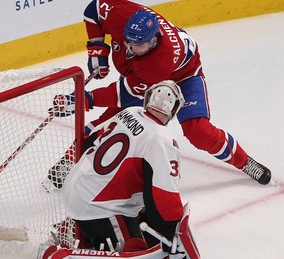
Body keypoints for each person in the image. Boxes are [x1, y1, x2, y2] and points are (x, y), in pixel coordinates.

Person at [45, 0, 272, 189]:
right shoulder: (123, 15)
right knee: (110, 122)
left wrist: (87, 99)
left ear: (154, 40)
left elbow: (123, 94)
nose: (131, 49)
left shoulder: (159, 60)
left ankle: (244, 162)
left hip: (184, 76)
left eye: (139, 45)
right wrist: (97, 48)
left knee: (198, 131)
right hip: (142, 77)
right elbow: (93, 10)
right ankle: (69, 161)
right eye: (128, 41)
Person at [64, 80, 185, 253]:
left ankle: (72, 227)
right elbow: (163, 195)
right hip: (97, 209)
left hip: (74, 188)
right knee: (134, 252)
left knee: (142, 203)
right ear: (173, 111)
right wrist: (171, 235)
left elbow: (88, 142)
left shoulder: (129, 112)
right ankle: (94, 239)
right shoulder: (161, 139)